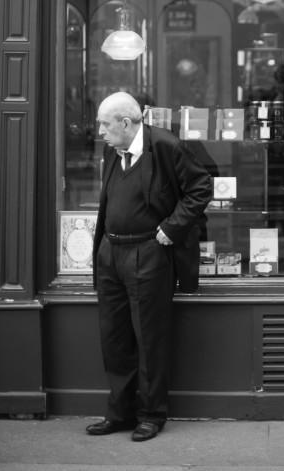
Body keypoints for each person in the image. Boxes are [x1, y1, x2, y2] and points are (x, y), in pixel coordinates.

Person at [86, 91, 212, 442]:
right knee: (114, 338)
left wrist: (172, 228)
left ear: (126, 123)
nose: (100, 131)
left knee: (149, 338)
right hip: (111, 253)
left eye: (105, 124)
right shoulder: (113, 150)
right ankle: (119, 412)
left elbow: (201, 187)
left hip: (149, 253)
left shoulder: (167, 146)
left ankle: (151, 414)